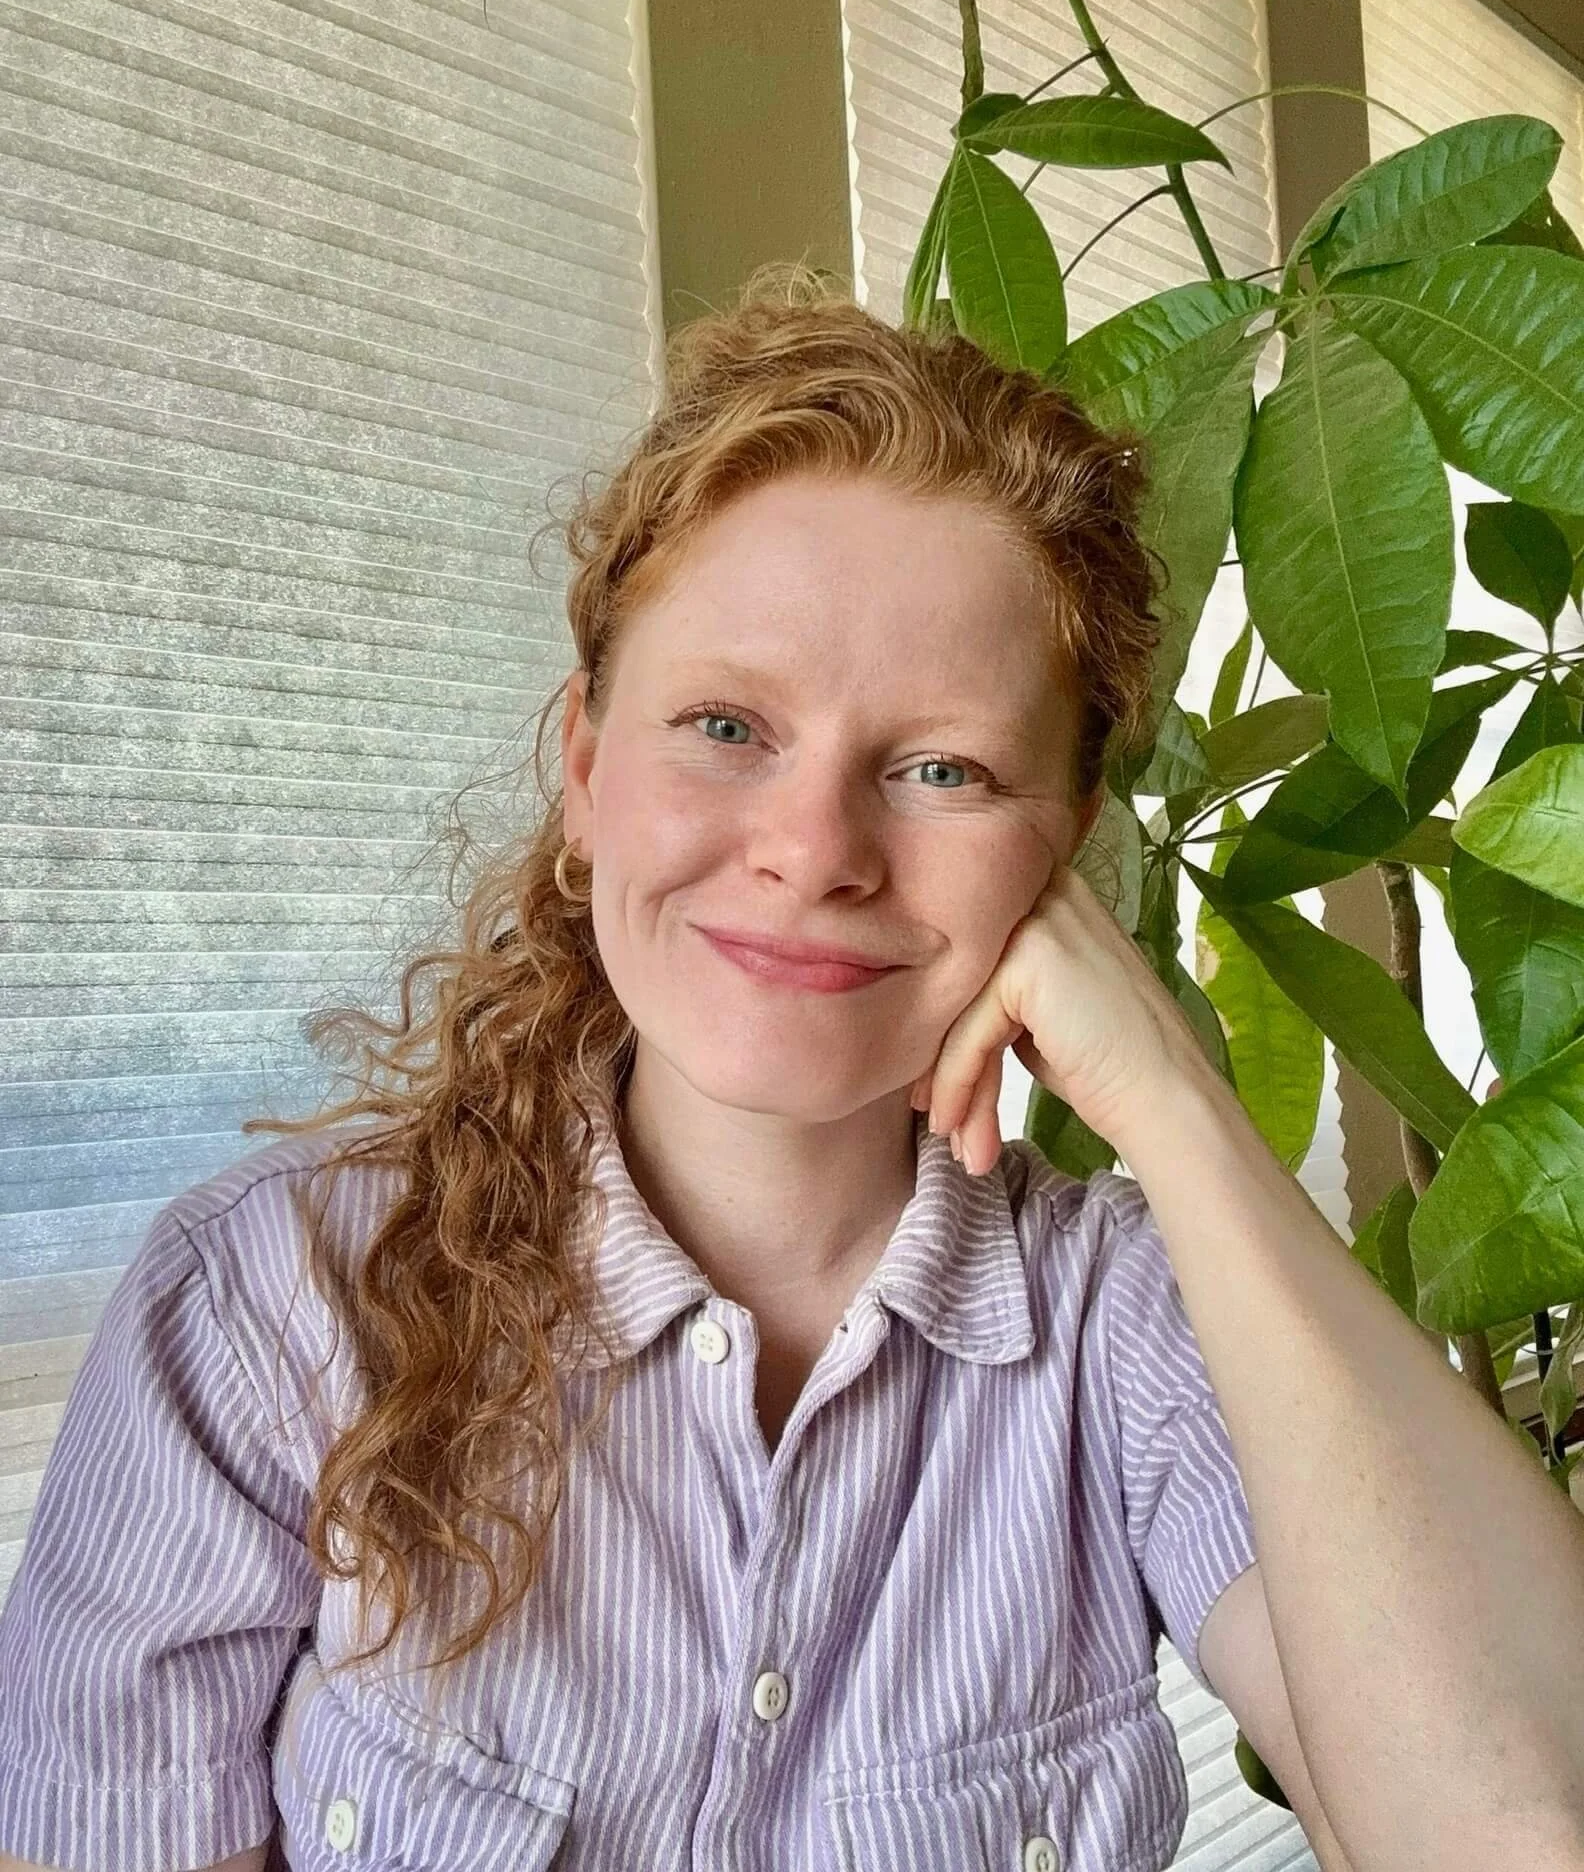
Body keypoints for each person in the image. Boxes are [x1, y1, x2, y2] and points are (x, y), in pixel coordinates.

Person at [4, 270, 1584, 1872]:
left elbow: (1513, 1834)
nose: (816, 848)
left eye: (944, 768)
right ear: (586, 769)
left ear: (1065, 851)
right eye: (725, 727)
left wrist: (1181, 1113)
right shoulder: (264, 1310)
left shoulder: (1130, 1329)